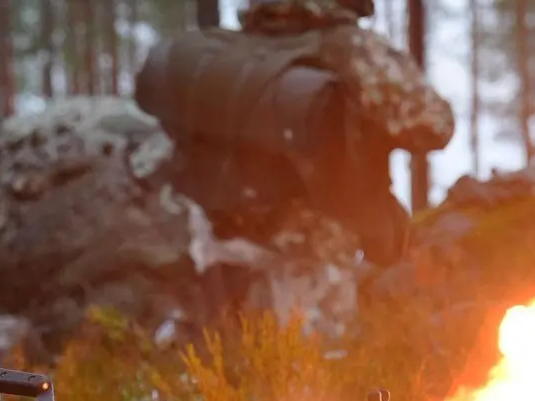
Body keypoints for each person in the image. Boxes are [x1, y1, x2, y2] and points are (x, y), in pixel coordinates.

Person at [134, 0, 454, 329]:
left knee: (232, 357)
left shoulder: (233, 48)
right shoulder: (350, 47)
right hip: (312, 244)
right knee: (319, 364)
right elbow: (432, 125)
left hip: (218, 237)